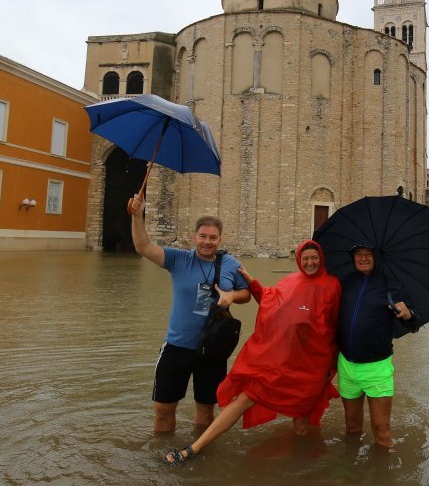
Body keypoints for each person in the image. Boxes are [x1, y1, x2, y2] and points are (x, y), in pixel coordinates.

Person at [165, 239, 341, 465]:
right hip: (283, 361)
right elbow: (272, 302)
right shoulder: (290, 281)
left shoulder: (332, 286)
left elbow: (336, 327)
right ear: (298, 259)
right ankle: (194, 448)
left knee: (301, 426)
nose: (309, 262)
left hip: (311, 366)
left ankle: (307, 465)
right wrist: (252, 283)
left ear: (321, 259)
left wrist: (332, 365)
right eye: (305, 258)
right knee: (245, 398)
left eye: (314, 258)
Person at [130, 195, 250, 432]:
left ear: (220, 239)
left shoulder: (230, 264)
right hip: (177, 346)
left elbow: (246, 292)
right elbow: (142, 247)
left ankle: (196, 457)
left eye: (213, 237)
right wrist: (137, 216)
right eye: (203, 236)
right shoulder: (178, 259)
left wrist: (232, 297)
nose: (207, 242)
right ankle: (162, 461)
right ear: (195, 237)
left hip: (213, 350)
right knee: (163, 411)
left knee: (206, 413)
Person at [336, 241, 421, 448]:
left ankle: (382, 472)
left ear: (376, 258)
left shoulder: (390, 284)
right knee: (352, 426)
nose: (363, 258)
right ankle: (353, 471)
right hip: (347, 364)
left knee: (381, 430)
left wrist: (409, 315)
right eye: (358, 254)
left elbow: (414, 323)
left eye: (368, 254)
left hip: (377, 367)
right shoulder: (346, 282)